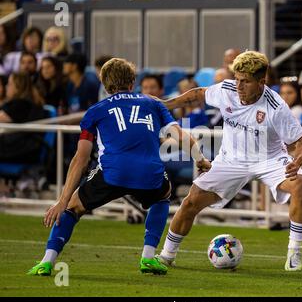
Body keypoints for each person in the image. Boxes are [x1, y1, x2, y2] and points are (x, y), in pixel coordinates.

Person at [27, 58, 211, 276]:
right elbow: (181, 137)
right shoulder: (153, 104)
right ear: (133, 82)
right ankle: (148, 257)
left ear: (104, 84)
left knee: (72, 209)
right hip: (148, 173)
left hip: (113, 173)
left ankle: (47, 262)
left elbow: (81, 158)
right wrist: (200, 159)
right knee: (163, 195)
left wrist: (62, 200)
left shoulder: (95, 111)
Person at [158, 51, 302, 271]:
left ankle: (294, 253)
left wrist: (297, 162)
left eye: (246, 81)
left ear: (261, 82)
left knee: (300, 184)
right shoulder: (227, 90)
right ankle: (166, 255)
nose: (239, 86)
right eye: (237, 79)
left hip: (269, 159)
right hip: (231, 160)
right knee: (191, 201)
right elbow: (197, 94)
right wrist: (166, 105)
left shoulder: (276, 107)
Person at [0, 72, 45, 164]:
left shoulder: (22, 104)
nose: (6, 87)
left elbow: (1, 118)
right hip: (15, 145)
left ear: (17, 87)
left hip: (20, 148)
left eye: (9, 84)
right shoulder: (21, 102)